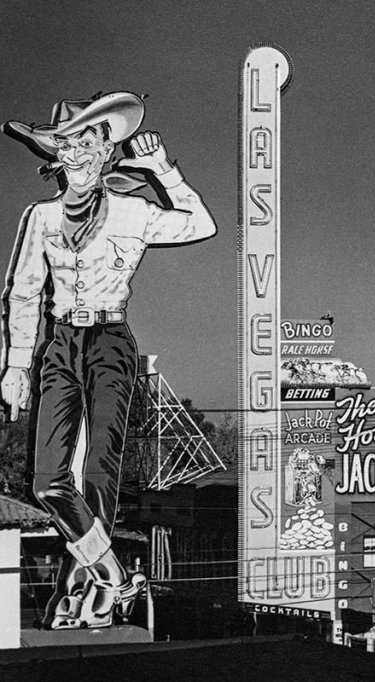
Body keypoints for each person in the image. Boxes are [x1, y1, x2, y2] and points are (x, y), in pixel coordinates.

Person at [1, 93, 217, 629]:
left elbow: (200, 225)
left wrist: (162, 169)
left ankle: (87, 597)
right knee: (49, 480)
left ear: (106, 150)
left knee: (99, 472)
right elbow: (23, 292)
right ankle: (114, 576)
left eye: (88, 140)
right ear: (55, 154)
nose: (76, 151)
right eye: (66, 142)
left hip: (111, 341)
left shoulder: (131, 211)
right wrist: (15, 366)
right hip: (60, 342)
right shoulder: (41, 217)